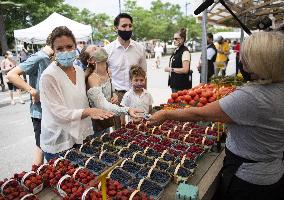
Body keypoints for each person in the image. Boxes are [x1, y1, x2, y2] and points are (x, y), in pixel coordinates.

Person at [149, 31, 284, 200]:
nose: (241, 61)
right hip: (274, 171)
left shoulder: (252, 97)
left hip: (248, 179)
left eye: (245, 58)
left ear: (260, 62)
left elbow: (201, 114)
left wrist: (164, 114)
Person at [39, 26, 114, 161]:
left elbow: (84, 98)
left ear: (75, 47)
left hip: (80, 137)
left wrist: (107, 100)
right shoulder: (49, 76)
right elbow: (58, 113)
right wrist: (88, 111)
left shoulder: (79, 71)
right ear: (53, 51)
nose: (66, 51)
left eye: (69, 46)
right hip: (59, 142)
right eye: (60, 49)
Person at [7, 38, 53, 165]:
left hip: (53, 111)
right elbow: (11, 75)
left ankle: (39, 176)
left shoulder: (51, 57)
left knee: (43, 146)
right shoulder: (39, 57)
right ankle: (36, 178)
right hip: (41, 113)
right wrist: (32, 91)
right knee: (42, 146)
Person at [79, 45, 143, 136]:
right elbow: (103, 106)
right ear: (91, 60)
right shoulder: (92, 78)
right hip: (95, 126)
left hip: (106, 121)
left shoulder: (108, 71)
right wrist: (127, 110)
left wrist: (114, 94)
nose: (100, 48)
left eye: (97, 46)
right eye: (95, 49)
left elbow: (111, 89)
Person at [105, 13, 147, 126]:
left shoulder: (139, 49)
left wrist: (145, 94)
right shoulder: (108, 50)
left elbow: (144, 74)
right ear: (116, 28)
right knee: (119, 129)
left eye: (130, 25)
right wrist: (109, 95)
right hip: (116, 96)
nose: (127, 28)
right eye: (124, 26)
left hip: (136, 92)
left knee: (138, 126)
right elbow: (104, 77)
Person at [165, 28, 192, 93]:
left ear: (182, 39)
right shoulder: (177, 50)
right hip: (174, 84)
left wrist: (170, 69)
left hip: (181, 86)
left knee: (179, 103)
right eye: (174, 38)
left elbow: (185, 70)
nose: (174, 40)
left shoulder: (185, 52)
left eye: (176, 38)